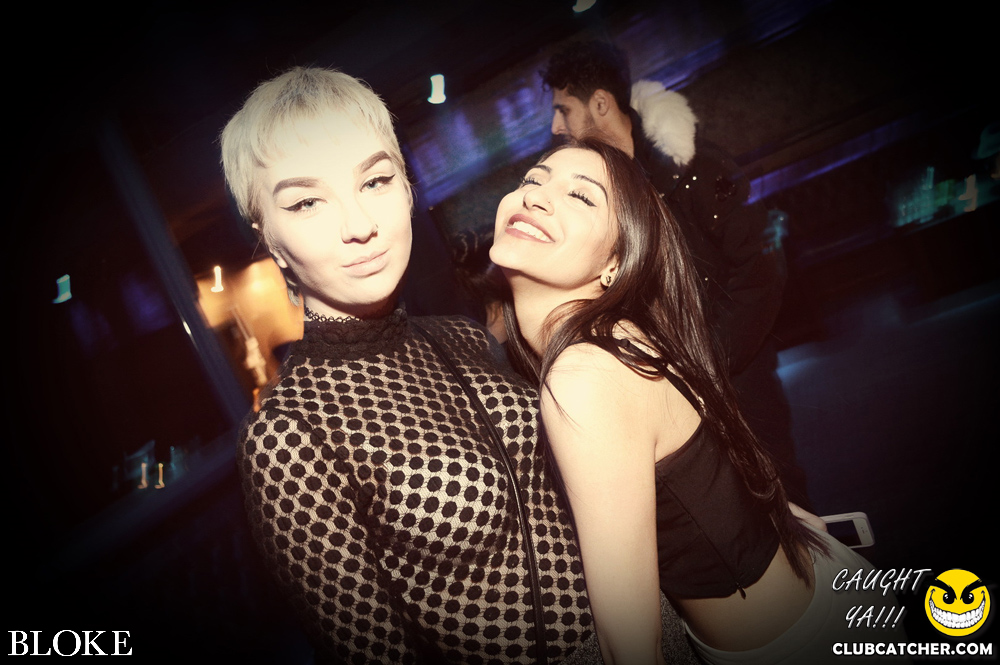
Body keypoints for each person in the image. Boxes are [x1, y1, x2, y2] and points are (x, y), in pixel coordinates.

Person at [221, 67, 699, 664]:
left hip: (654, 629)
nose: (360, 226)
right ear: (268, 235)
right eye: (307, 202)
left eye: (375, 180)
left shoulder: (463, 336)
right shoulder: (287, 435)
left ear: (406, 187)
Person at [490, 138, 901, 664]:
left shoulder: (584, 375)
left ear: (615, 262)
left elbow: (630, 646)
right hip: (822, 586)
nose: (535, 196)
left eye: (582, 196)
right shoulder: (624, 335)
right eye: (533, 179)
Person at [541, 40, 811, 509]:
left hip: (738, 374)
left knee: (783, 499)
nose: (555, 126)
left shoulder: (695, 167)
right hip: (673, 387)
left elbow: (762, 269)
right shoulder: (602, 188)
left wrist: (712, 362)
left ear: (600, 103)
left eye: (563, 109)